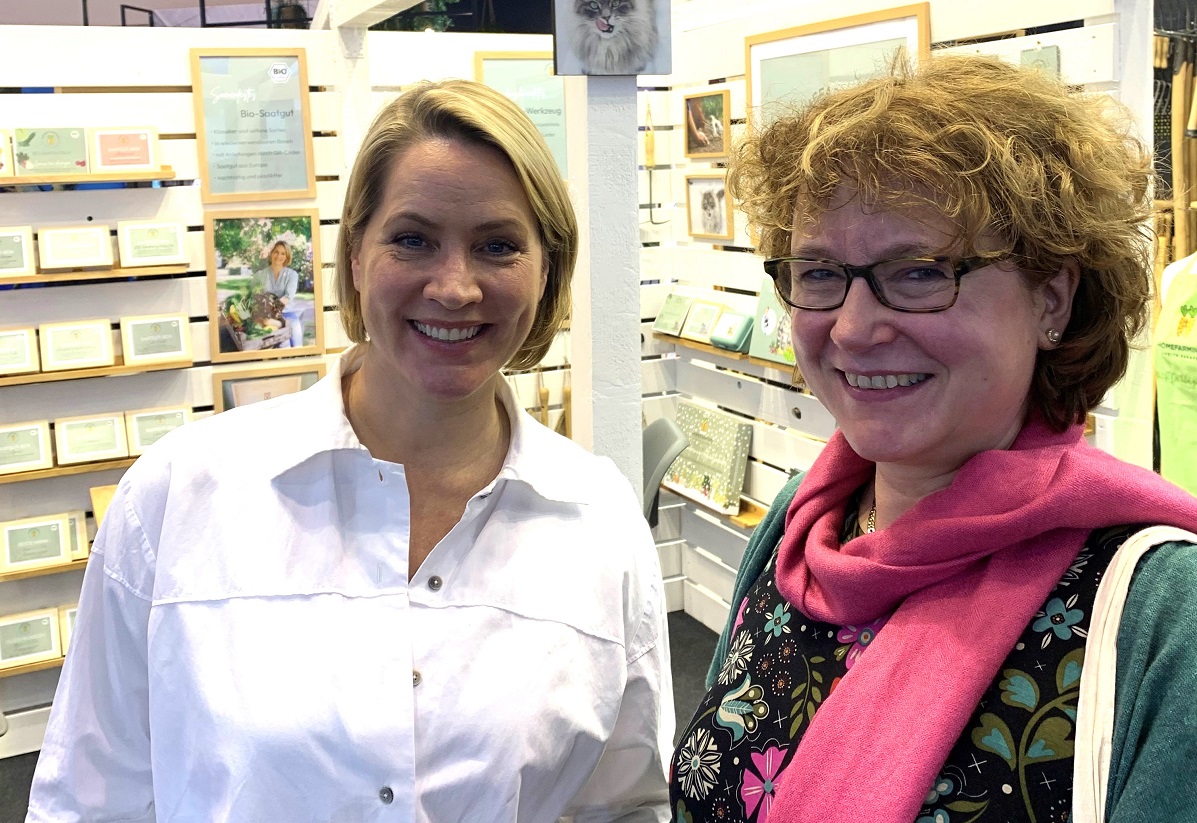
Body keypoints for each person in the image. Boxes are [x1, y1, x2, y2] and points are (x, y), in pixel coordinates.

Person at [28, 79, 673, 821]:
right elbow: (89, 800)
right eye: (412, 239)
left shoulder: (598, 520)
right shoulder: (179, 496)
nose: (455, 286)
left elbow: (625, 805)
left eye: (498, 245)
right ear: (357, 255)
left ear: (546, 269)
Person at [670, 55, 1197, 822]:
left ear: (1051, 296)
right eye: (819, 272)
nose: (851, 328)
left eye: (917, 272)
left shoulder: (1161, 609)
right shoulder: (801, 523)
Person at [253, 238, 299, 307]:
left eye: (283, 254)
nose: (278, 256)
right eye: (276, 252)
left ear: (287, 257)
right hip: (264, 313)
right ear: (271, 253)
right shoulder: (259, 275)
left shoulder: (292, 275)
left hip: (286, 313)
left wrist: (274, 307)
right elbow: (254, 296)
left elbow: (288, 297)